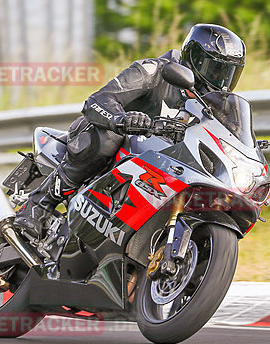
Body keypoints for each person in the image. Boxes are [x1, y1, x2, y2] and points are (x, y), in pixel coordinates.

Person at [14, 23, 246, 238]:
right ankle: (39, 203)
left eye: (228, 74)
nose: (221, 81)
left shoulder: (213, 108)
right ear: (194, 59)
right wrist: (121, 119)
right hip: (111, 140)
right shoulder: (154, 70)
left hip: (158, 168)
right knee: (109, 138)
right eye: (215, 70)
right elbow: (98, 100)